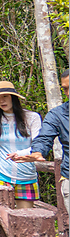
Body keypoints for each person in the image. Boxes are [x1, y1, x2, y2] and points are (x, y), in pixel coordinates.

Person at [0, 81, 42, 209]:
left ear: (13, 97)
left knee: (25, 219)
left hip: (26, 175)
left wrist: (21, 154)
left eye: (5, 96)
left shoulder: (32, 117)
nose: (2, 101)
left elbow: (38, 144)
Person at [27, 70, 69, 212]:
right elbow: (44, 137)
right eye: (65, 89)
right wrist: (37, 152)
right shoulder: (57, 114)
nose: (68, 93)